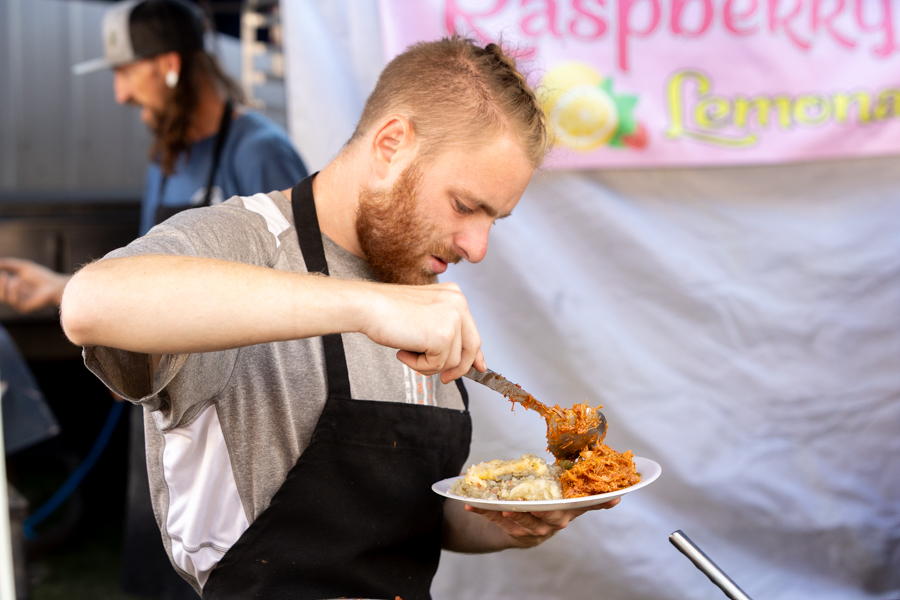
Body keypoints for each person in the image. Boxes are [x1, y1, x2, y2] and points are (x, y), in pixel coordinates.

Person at [60, 35, 619, 599]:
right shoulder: (251, 240)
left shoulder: (419, 289)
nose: (477, 247)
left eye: (494, 219)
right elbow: (91, 304)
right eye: (465, 205)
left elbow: (410, 515)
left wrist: (511, 522)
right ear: (391, 144)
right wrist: (364, 305)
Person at [0, 1, 307, 598]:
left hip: (237, 430)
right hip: (165, 411)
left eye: (124, 72)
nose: (118, 95)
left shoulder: (260, 151)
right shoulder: (167, 157)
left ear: (168, 65)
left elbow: (300, 303)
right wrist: (69, 294)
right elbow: (153, 281)